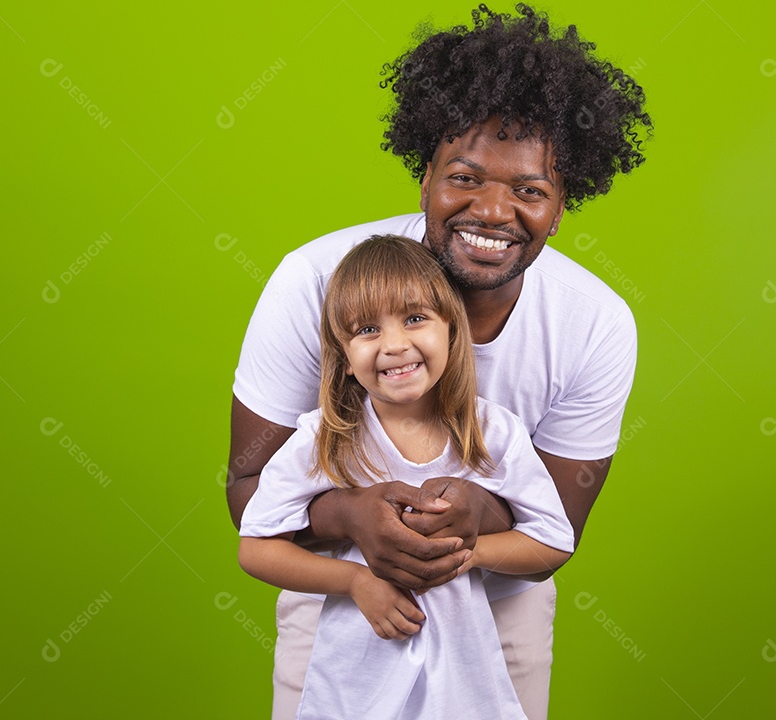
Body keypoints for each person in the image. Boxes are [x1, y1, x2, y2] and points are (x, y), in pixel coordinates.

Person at [226, 5, 651, 718]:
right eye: (465, 176)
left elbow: (555, 528)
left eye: (530, 190)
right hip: (340, 599)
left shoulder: (595, 323)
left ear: (563, 202)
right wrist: (354, 518)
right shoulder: (316, 280)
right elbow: (248, 491)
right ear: (424, 174)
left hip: (498, 611)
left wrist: (473, 517)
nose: (492, 211)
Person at [239, 236, 575, 720]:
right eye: (367, 329)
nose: (394, 345)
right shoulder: (323, 439)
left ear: (451, 330)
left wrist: (462, 555)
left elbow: (552, 541)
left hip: (464, 683)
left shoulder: (493, 433)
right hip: (353, 686)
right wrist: (356, 582)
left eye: (415, 318)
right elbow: (256, 547)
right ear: (344, 355)